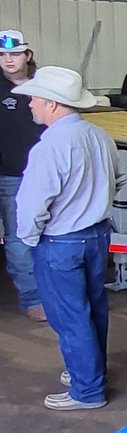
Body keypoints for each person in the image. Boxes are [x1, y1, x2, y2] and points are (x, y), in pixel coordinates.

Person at [14, 66, 122, 410]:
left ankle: (86, 389)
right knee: (94, 309)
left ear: (53, 105)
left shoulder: (50, 146)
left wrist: (29, 238)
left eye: (35, 99)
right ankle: (90, 370)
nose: (31, 104)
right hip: (97, 235)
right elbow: (118, 180)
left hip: (61, 241)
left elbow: (33, 204)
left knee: (69, 315)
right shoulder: (99, 136)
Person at [0, 29, 44, 320]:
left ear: (27, 55)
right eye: (2, 55)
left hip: (39, 176)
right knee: (17, 239)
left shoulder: (45, 87)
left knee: (34, 237)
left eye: (14, 54)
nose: (8, 60)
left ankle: (39, 296)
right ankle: (32, 297)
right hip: (8, 175)